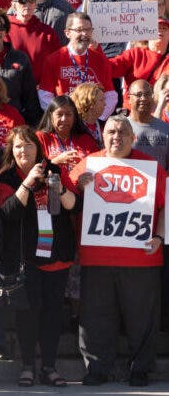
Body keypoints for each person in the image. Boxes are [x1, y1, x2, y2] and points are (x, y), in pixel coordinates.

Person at [64, 115, 166, 386]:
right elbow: (67, 199)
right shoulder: (89, 164)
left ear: (133, 138)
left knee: (142, 319)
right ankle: (96, 369)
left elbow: (167, 203)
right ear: (102, 135)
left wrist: (160, 235)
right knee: (95, 316)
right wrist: (76, 185)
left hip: (142, 258)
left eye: (122, 132)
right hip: (96, 257)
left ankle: (140, 369)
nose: (116, 137)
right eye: (110, 131)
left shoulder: (151, 166)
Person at [0, 126, 78, 388]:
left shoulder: (53, 170)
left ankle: (50, 367)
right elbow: (8, 213)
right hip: (27, 260)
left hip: (56, 255)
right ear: (12, 150)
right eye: (18, 146)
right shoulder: (7, 177)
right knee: (28, 314)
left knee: (53, 314)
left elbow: (73, 205)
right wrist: (28, 182)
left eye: (29, 145)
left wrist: (60, 188)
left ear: (37, 149)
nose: (23, 150)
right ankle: (28, 366)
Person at [7, 0, 60, 79]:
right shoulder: (5, 29)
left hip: (40, 89)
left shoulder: (46, 31)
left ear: (35, 4)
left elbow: (57, 61)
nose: (27, 4)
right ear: (14, 5)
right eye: (22, 0)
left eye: (31, 0)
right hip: (12, 86)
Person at [126, 79, 169, 165]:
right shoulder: (120, 128)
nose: (143, 98)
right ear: (129, 98)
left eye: (147, 94)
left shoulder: (166, 129)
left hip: (160, 177)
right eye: (138, 95)